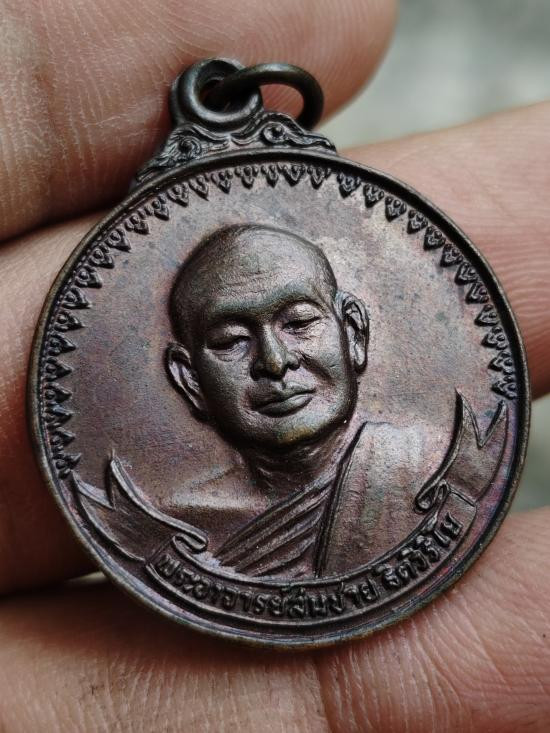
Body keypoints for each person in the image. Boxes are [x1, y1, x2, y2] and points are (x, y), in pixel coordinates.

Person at [1, 1, 549, 729]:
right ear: (189, 381)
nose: (275, 362)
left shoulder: (419, 470)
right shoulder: (185, 519)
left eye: (299, 321)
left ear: (353, 334)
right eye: (232, 340)